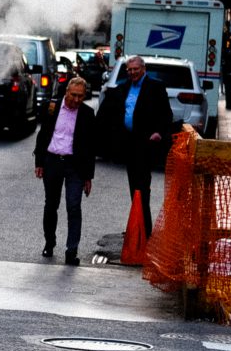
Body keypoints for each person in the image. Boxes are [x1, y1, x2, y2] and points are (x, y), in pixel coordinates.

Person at [96, 55, 172, 237]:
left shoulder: (155, 87)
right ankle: (137, 225)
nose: (132, 73)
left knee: (142, 187)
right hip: (129, 143)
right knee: (134, 186)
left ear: (143, 69)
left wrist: (159, 132)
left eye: (135, 69)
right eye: (129, 70)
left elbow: (166, 114)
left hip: (145, 144)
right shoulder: (124, 87)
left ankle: (144, 231)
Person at [33, 77, 96, 266]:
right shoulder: (52, 107)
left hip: (75, 166)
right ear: (66, 92)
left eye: (80, 96)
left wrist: (88, 176)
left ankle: (72, 250)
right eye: (73, 95)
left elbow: (89, 148)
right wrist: (39, 162)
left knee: (74, 206)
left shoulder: (87, 113)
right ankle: (49, 243)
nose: (76, 100)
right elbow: (43, 134)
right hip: (52, 161)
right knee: (51, 205)